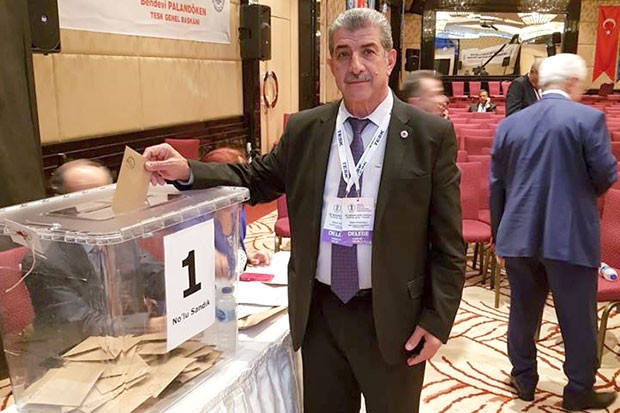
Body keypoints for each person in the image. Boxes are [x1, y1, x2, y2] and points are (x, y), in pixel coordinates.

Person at [144, 8, 465, 413]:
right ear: (331, 64)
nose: (356, 65)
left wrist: (437, 320)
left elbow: (448, 242)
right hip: (320, 315)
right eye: (343, 54)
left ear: (390, 59)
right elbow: (255, 178)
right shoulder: (306, 129)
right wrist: (187, 170)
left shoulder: (428, 134)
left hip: (393, 318)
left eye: (367, 51)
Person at [490, 54, 617, 411]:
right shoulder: (587, 119)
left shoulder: (510, 125)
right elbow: (605, 175)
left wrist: (499, 235)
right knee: (576, 317)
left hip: (517, 233)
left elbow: (497, 186)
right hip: (570, 235)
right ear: (573, 82)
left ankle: (524, 379)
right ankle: (578, 391)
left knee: (522, 311)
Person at [22, 160, 166, 352]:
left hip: (128, 345)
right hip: (72, 355)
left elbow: (150, 275)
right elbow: (80, 325)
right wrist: (150, 325)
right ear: (63, 206)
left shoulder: (117, 237)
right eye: (88, 198)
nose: (101, 205)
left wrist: (185, 277)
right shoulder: (44, 259)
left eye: (104, 195)